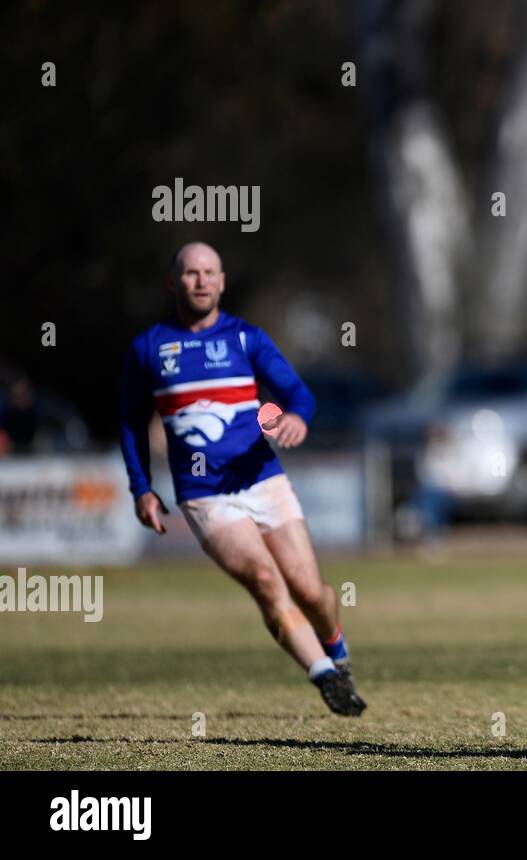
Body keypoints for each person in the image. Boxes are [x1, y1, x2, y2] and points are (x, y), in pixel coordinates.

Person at [119, 242, 365, 716]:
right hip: (204, 496)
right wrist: (141, 487)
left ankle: (336, 649)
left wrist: (295, 417)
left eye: (210, 272)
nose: (202, 281)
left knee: (311, 591)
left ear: (223, 281)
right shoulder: (148, 347)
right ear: (174, 282)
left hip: (263, 479)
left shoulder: (245, 338)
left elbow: (297, 393)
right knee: (265, 581)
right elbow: (130, 422)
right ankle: (325, 677)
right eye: (191, 273)